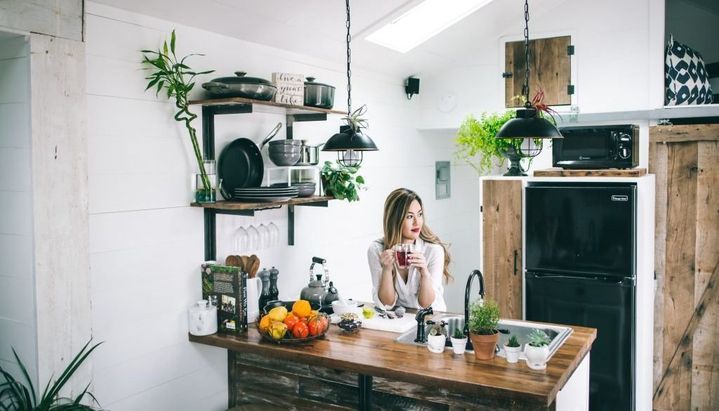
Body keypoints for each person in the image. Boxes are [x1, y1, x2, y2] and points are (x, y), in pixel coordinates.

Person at [367, 188, 451, 312]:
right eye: (410, 216)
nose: (417, 222)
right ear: (395, 219)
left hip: (432, 318)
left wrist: (424, 273)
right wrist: (387, 269)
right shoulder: (377, 250)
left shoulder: (433, 251)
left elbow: (426, 304)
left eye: (420, 214)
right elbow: (386, 304)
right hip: (400, 319)